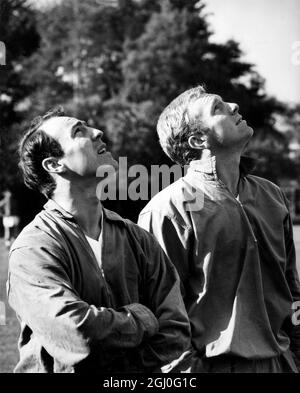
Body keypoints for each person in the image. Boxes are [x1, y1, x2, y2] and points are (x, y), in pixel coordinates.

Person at [7, 107, 191, 373]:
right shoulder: (34, 248)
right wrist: (141, 318)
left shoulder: (138, 238)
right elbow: (77, 332)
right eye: (79, 131)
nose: (98, 132)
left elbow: (176, 329)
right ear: (54, 164)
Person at [138, 86, 300, 373]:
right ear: (198, 139)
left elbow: (292, 290)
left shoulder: (272, 195)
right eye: (218, 108)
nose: (235, 105)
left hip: (282, 363)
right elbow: (159, 311)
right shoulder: (168, 209)